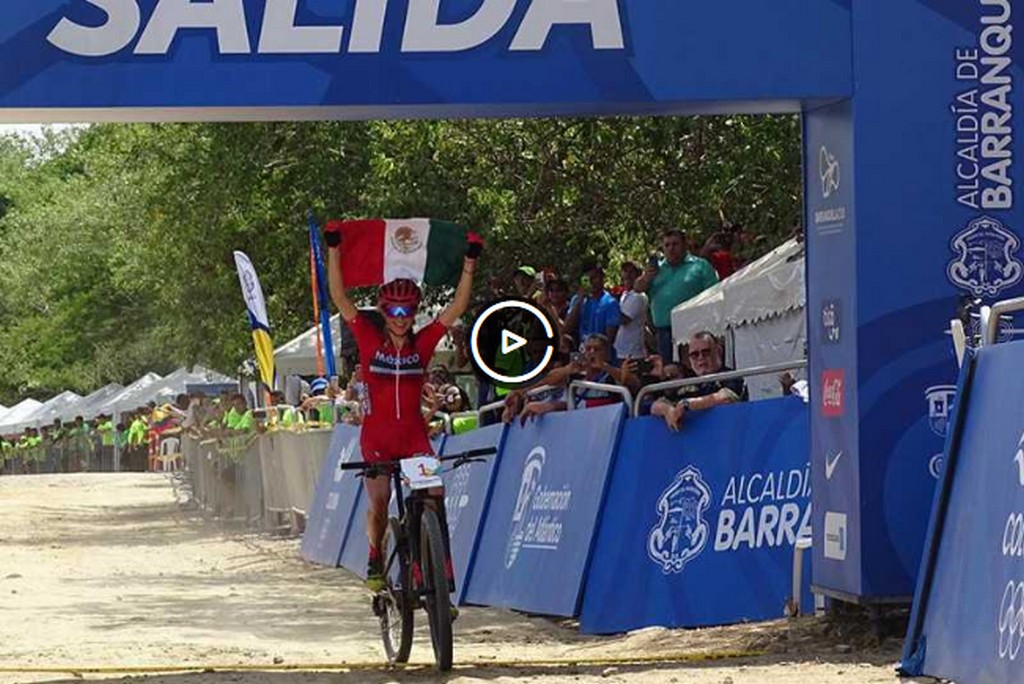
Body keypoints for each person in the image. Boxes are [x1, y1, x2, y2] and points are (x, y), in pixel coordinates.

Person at [326, 222, 480, 593]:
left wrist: (470, 263)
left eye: (407, 311)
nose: (400, 318)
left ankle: (440, 580)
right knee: (379, 503)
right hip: (377, 440)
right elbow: (341, 299)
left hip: (413, 438)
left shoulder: (422, 344)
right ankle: (375, 553)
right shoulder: (367, 337)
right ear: (383, 310)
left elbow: (457, 306)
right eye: (393, 310)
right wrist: (334, 250)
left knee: (434, 497)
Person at [635, 229, 719, 360]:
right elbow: (637, 288)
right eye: (667, 245)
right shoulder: (657, 269)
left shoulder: (700, 266)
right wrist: (646, 277)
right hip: (664, 332)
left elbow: (714, 295)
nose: (671, 249)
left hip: (694, 330)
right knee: (670, 373)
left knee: (696, 370)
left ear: (685, 245)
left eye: (675, 244)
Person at [650, 331, 748, 431]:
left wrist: (688, 404)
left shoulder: (731, 376)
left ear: (718, 351)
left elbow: (726, 398)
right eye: (694, 355)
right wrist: (667, 410)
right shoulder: (689, 382)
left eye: (706, 352)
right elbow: (656, 405)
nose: (700, 358)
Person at [566, 263, 621, 359]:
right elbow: (567, 328)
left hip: (601, 357)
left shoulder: (610, 303)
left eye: (594, 278)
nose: (591, 282)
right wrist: (579, 301)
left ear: (602, 278)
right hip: (583, 354)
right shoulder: (581, 301)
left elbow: (609, 338)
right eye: (588, 279)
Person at [615, 261, 649, 360]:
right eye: (625, 271)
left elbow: (624, 320)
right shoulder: (624, 295)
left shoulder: (638, 296)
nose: (628, 275)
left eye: (631, 272)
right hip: (621, 350)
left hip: (633, 352)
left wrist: (610, 305)